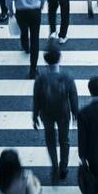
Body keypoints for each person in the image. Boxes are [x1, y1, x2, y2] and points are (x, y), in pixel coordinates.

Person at [32, 42, 78, 184]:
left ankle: (54, 165)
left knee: (50, 140)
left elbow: (36, 98)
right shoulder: (67, 77)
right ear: (59, 58)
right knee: (64, 140)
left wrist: (35, 115)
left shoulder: (41, 78)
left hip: (46, 113)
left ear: (45, 59)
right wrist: (75, 112)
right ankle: (63, 167)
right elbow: (73, 96)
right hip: (63, 112)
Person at [6, 0, 47, 79]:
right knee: (35, 38)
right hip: (34, 11)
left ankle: (25, 46)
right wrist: (40, 6)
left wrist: (11, 11)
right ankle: (33, 69)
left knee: (24, 31)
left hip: (21, 12)